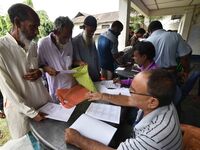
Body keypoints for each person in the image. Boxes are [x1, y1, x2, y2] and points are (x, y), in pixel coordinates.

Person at [65, 69, 183, 149]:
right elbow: (129, 100)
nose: (128, 93)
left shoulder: (154, 137)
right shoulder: (163, 101)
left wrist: (78, 140)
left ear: (152, 102)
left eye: (132, 91)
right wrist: (103, 96)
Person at [0, 3, 51, 139]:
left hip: (45, 108)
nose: (36, 32)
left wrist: (40, 71)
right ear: (17, 22)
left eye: (37, 27)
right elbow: (7, 89)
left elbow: (39, 67)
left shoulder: (33, 45)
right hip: (24, 116)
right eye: (32, 26)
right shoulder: (1, 48)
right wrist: (32, 113)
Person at [38, 16, 76, 103]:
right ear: (55, 32)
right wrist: (46, 68)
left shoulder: (69, 42)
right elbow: (39, 65)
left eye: (69, 37)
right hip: (56, 89)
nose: (67, 41)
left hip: (72, 87)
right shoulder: (43, 44)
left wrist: (78, 63)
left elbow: (69, 62)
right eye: (64, 37)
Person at [72, 15, 100, 82]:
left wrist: (98, 72)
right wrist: (79, 63)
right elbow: (72, 63)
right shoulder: (75, 41)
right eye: (90, 31)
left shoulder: (91, 40)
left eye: (93, 31)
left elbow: (95, 58)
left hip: (95, 77)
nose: (92, 34)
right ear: (84, 27)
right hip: (84, 80)